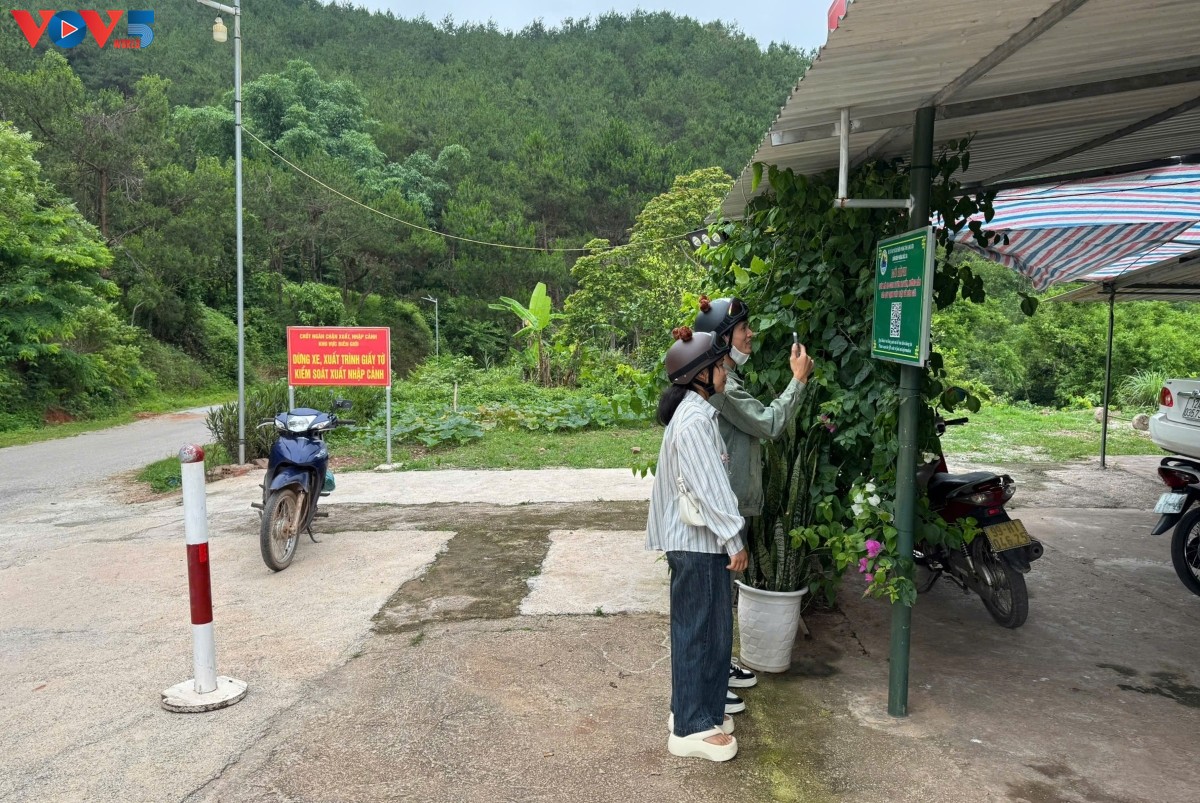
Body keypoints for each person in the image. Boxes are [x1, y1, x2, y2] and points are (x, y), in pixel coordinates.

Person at [693, 295, 814, 704]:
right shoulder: (721, 386)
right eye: (744, 329)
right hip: (723, 508)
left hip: (731, 504)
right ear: (722, 339)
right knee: (715, 597)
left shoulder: (728, 379)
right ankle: (712, 682)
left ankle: (719, 665)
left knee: (722, 593)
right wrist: (798, 381)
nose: (751, 335)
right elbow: (769, 423)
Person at [647, 327, 748, 762]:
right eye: (720, 366)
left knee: (712, 633)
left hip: (700, 543)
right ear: (701, 374)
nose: (725, 371)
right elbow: (710, 489)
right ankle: (690, 727)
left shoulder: (697, 414)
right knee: (699, 634)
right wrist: (734, 538)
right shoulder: (693, 422)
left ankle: (699, 712)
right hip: (698, 543)